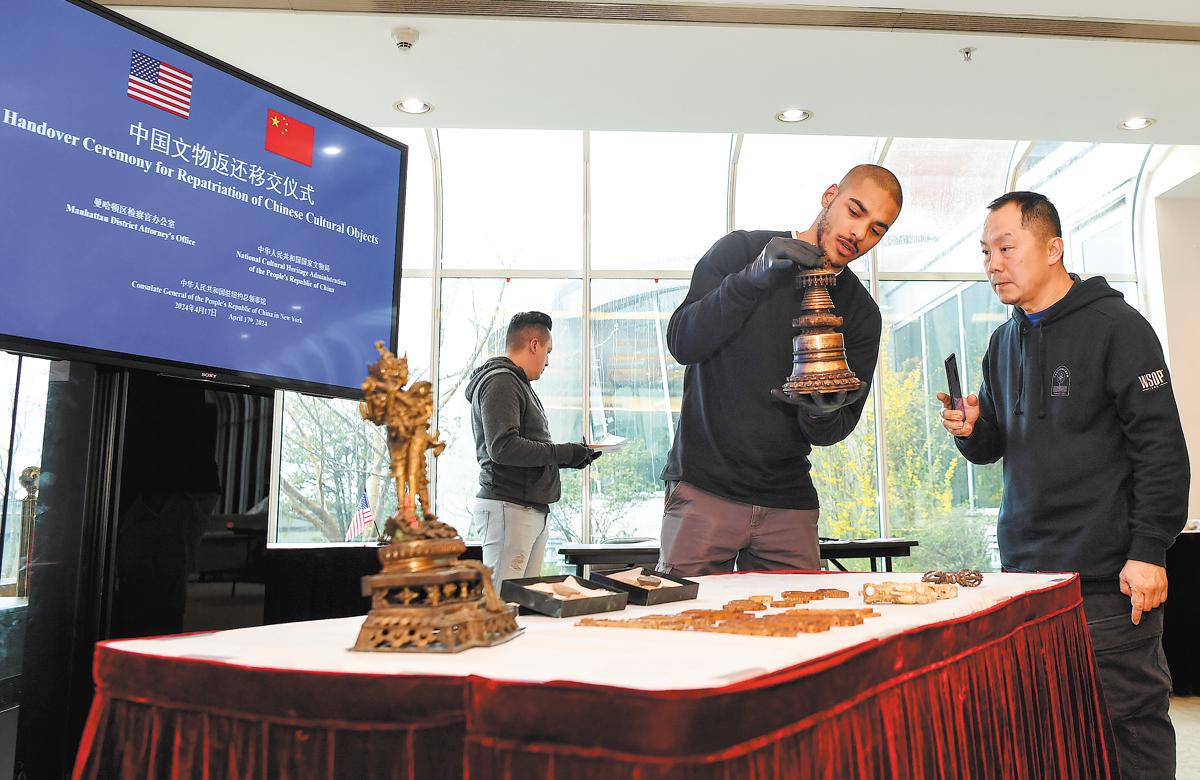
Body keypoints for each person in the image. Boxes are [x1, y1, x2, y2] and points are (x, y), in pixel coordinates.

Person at [939, 191, 1189, 779]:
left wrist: (1149, 550)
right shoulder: (1003, 341)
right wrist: (972, 430)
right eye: (985, 252)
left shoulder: (1118, 328)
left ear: (1052, 248)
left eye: (1006, 248)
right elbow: (996, 445)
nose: (993, 264)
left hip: (1107, 580)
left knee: (1129, 732)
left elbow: (1161, 449)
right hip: (1026, 578)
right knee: (1046, 737)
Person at [659, 164, 903, 575]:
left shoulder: (862, 313)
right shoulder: (741, 250)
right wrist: (750, 279)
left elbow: (834, 428)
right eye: (855, 211)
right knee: (687, 615)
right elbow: (683, 342)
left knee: (803, 616)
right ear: (829, 196)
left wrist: (819, 411)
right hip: (705, 489)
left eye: (876, 230)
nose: (859, 233)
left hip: (789, 502)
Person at [465, 311, 599, 588]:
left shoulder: (516, 383)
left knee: (523, 601)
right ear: (534, 345)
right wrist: (565, 453)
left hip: (525, 507)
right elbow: (503, 447)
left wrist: (573, 457)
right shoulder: (501, 381)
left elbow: (523, 447)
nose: (547, 361)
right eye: (548, 352)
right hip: (509, 506)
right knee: (502, 602)